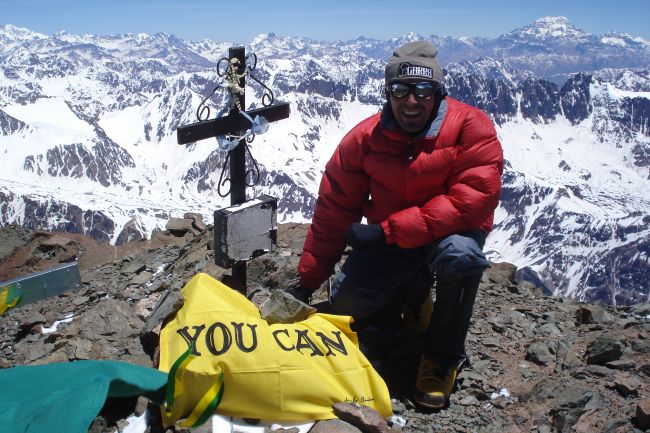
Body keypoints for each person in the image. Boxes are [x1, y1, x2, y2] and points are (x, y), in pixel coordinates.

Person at [288, 40, 503, 409]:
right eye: (400, 90)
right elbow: (334, 210)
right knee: (347, 304)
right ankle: (415, 296)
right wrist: (307, 282)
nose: (411, 101)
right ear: (387, 93)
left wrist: (386, 232)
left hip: (445, 235)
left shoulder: (472, 127)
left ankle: (441, 357)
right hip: (394, 238)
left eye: (423, 90)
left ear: (438, 92)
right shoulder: (364, 140)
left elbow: (471, 201)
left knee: (461, 256)